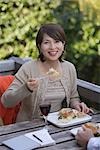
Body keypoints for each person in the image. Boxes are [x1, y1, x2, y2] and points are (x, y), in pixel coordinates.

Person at [1, 23, 91, 122]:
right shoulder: (28, 68)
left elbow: (73, 97)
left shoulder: (69, 68)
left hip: (59, 125)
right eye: (46, 42)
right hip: (28, 127)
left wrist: (77, 105)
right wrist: (26, 88)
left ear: (63, 44)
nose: (52, 47)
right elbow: (6, 101)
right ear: (39, 46)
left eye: (57, 41)